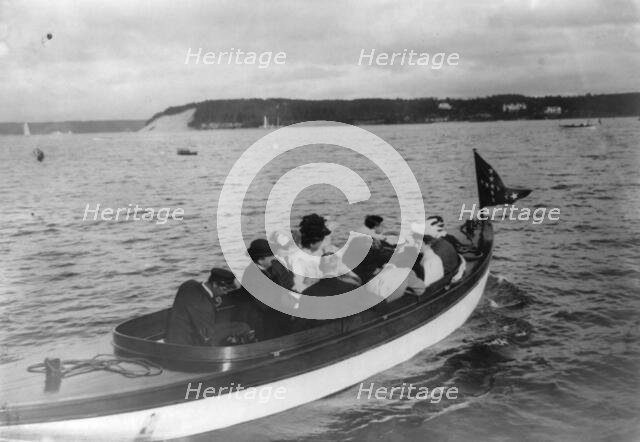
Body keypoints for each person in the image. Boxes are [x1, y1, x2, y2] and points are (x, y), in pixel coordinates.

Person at [165, 268, 253, 346]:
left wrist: (212, 299)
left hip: (173, 337)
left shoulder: (189, 284)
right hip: (187, 345)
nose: (225, 293)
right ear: (215, 284)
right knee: (242, 327)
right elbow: (208, 339)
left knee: (240, 326)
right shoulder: (204, 306)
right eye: (225, 289)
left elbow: (198, 298)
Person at [239, 238, 296, 339]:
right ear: (261, 260)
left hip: (282, 308)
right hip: (264, 318)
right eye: (271, 256)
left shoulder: (275, 265)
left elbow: (289, 282)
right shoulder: (251, 276)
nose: (274, 258)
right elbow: (266, 304)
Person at [288, 214, 331, 292]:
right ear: (312, 243)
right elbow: (298, 286)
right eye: (322, 240)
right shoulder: (300, 260)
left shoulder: (315, 254)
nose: (324, 243)